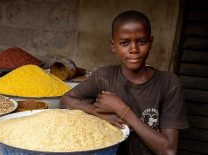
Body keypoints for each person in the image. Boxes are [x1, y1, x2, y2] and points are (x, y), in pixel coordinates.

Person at [60, 10, 189, 155]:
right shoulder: (103, 76)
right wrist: (97, 113)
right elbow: (66, 99)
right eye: (124, 43)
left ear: (150, 43)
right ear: (113, 45)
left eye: (141, 41)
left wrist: (122, 110)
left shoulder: (169, 84)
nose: (134, 49)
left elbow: (168, 150)